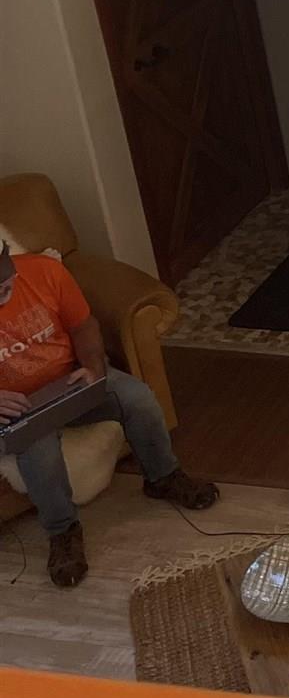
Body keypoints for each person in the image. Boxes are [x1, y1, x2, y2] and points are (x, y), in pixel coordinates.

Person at [0, 238, 217, 587]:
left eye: (5, 285)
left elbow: (83, 326)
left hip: (71, 379)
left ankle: (163, 477)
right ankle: (63, 532)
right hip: (19, 408)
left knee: (139, 399)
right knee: (38, 452)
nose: (2, 293)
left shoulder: (45, 271)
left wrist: (93, 368)